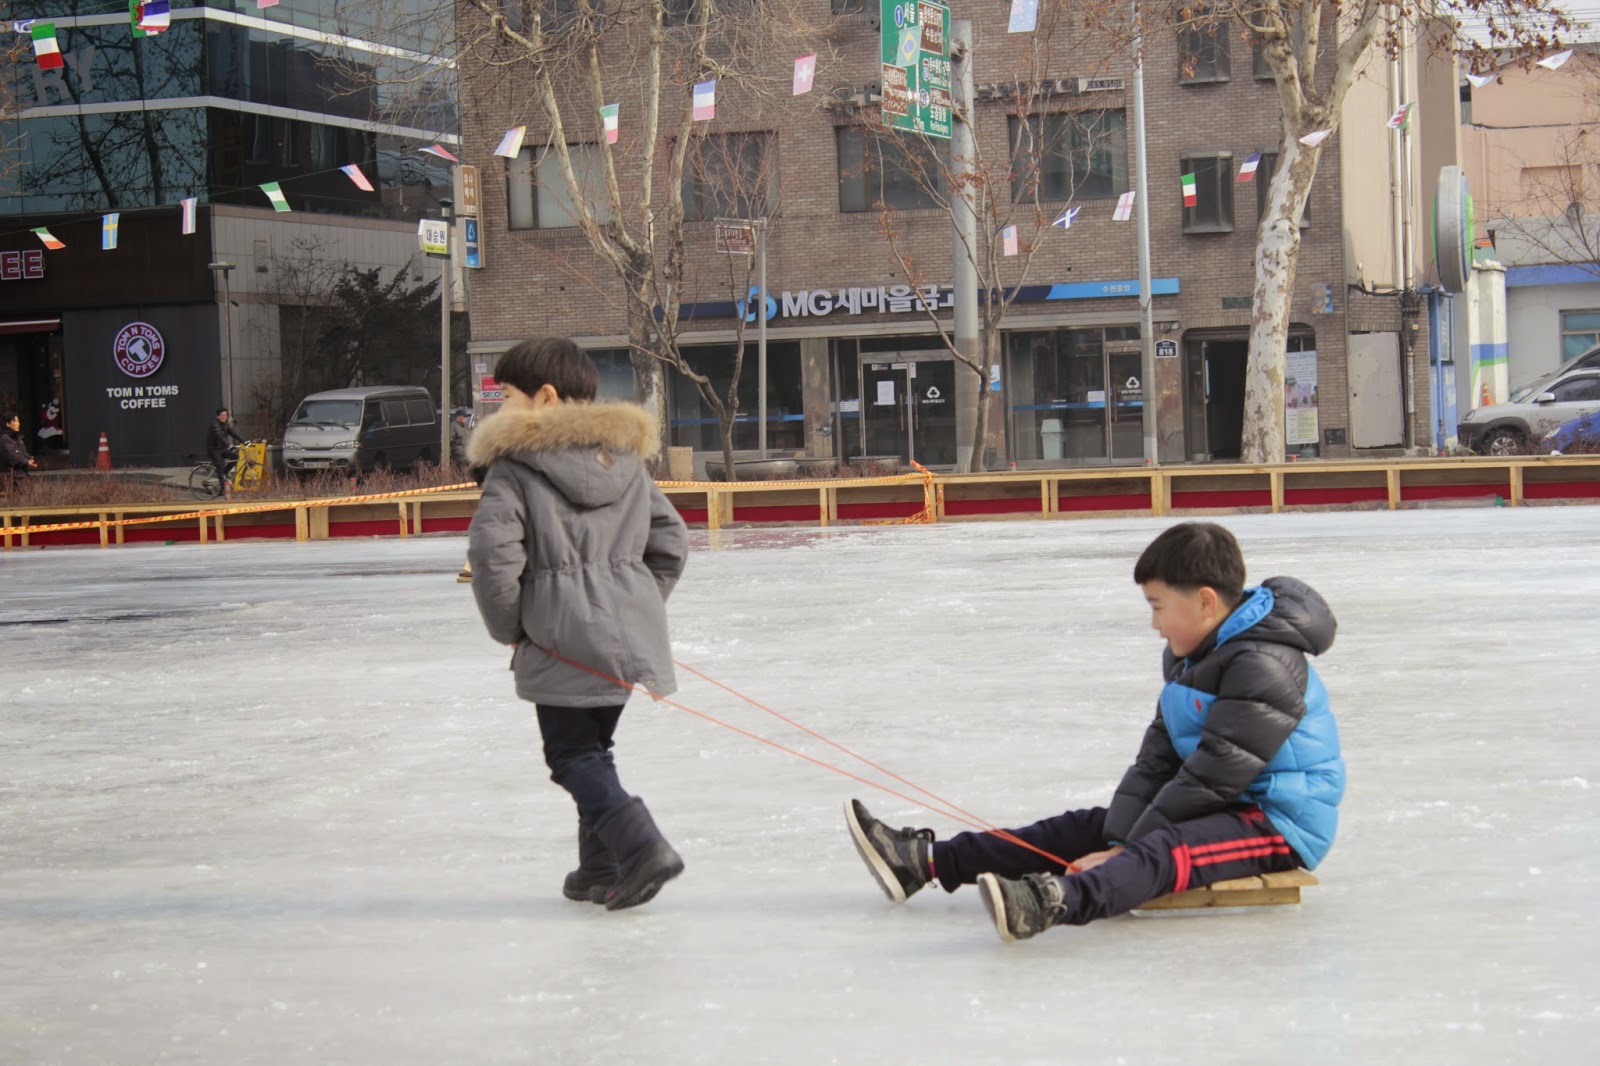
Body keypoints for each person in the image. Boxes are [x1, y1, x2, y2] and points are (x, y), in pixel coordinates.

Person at [845, 521, 1343, 942]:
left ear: (1206, 603)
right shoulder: (1193, 659)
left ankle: (1051, 900)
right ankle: (927, 862)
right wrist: (1119, 834)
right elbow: (1157, 761)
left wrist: (1128, 848)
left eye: (1158, 606)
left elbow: (1216, 773)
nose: (1154, 624)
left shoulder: (1264, 665)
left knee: (1158, 851)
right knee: (1085, 827)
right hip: (1222, 806)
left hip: (1275, 823)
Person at [466, 337, 689, 911]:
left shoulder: (512, 470)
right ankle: (600, 866)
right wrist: (633, 606)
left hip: (558, 637)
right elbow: (671, 543)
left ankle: (641, 846)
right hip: (623, 640)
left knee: (571, 755)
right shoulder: (627, 461)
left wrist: (517, 628)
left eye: (506, 395)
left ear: (543, 398)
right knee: (595, 746)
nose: (500, 408)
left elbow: (495, 561)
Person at [206, 408, 246, 498]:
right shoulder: (214, 425)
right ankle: (222, 490)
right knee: (220, 466)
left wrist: (244, 441)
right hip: (214, 450)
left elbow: (233, 433)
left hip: (222, 448)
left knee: (235, 456)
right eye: (222, 415)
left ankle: (224, 474)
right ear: (217, 416)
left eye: (225, 415)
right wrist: (228, 445)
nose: (224, 417)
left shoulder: (225, 424)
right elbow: (219, 436)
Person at [3, 412, 38, 487]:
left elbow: (24, 454)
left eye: (18, 421)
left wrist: (30, 459)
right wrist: (27, 462)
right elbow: (12, 458)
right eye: (15, 421)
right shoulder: (4, 439)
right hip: (11, 477)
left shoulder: (19, 440)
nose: (18, 424)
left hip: (21, 474)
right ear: (8, 424)